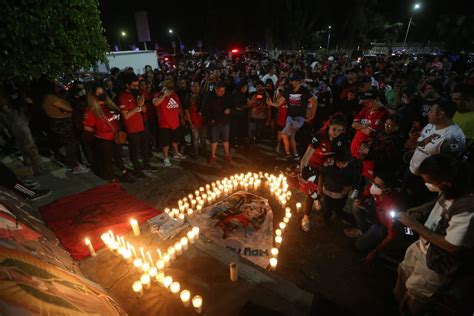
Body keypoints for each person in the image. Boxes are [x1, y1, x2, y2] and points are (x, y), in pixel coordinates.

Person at [394, 154, 474, 315]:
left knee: (416, 297)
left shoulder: (467, 208)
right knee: (403, 273)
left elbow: (453, 246)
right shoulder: (452, 187)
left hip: (437, 263)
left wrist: (415, 226)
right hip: (423, 246)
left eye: (429, 181)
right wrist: (424, 208)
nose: (426, 184)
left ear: (446, 183)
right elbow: (442, 200)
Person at [344, 168, 404, 263]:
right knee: (356, 208)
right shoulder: (375, 191)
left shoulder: (393, 207)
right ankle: (364, 232)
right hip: (375, 215)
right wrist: (360, 201)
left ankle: (371, 240)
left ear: (388, 190)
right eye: (374, 183)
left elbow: (391, 235)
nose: (374, 187)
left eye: (378, 186)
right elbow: (364, 195)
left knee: (358, 245)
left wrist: (375, 251)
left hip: (383, 226)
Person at [299, 113, 347, 231]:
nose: (336, 132)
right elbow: (306, 157)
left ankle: (319, 201)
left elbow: (340, 153)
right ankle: (306, 216)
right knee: (312, 190)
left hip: (327, 167)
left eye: (339, 130)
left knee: (324, 189)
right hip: (314, 165)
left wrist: (334, 160)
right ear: (329, 125)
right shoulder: (319, 136)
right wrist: (302, 172)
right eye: (334, 129)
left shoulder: (341, 138)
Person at [83, 84, 135, 182]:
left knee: (118, 156)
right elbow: (87, 127)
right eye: (98, 93)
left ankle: (124, 172)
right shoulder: (91, 110)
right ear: (93, 96)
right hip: (104, 139)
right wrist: (99, 131)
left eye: (102, 92)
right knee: (107, 159)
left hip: (117, 136)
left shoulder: (111, 105)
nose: (101, 94)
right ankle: (111, 177)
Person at [41, 80, 89, 174]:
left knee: (70, 144)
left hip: (60, 122)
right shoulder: (51, 98)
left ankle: (75, 163)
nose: (58, 86)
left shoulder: (47, 97)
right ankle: (75, 166)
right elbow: (69, 108)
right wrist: (68, 111)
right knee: (71, 144)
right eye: (55, 85)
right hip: (61, 123)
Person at [118, 73, 153, 177]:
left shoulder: (136, 94)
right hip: (132, 128)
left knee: (144, 147)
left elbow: (144, 109)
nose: (136, 88)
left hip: (141, 125)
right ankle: (137, 169)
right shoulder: (123, 97)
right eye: (133, 86)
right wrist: (138, 107)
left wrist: (141, 107)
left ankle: (146, 165)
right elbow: (126, 116)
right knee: (134, 150)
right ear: (127, 85)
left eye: (137, 85)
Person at [281, 71, 317, 161]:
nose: (290, 83)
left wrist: (312, 114)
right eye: (290, 81)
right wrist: (272, 103)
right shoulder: (288, 90)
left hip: (299, 119)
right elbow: (280, 101)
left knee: (284, 134)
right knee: (291, 136)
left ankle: (288, 153)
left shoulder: (304, 91)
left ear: (298, 82)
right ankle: (296, 155)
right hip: (291, 116)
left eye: (293, 81)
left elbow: (314, 101)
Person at [318, 149, 356, 222]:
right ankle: (326, 218)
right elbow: (321, 172)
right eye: (338, 162)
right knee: (327, 208)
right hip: (328, 193)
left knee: (339, 208)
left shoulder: (351, 169)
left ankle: (338, 215)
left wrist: (350, 188)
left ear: (348, 162)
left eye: (343, 163)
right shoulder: (330, 163)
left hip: (341, 195)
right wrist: (325, 164)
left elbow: (355, 181)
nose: (340, 165)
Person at [152, 79, 185, 167]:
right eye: (168, 88)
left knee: (175, 139)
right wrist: (164, 95)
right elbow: (155, 104)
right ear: (163, 88)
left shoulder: (174, 95)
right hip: (164, 123)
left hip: (175, 122)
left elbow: (179, 107)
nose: (170, 90)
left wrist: (181, 117)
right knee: (165, 142)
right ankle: (166, 158)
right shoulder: (158, 95)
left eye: (171, 88)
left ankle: (176, 153)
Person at [202, 81, 233, 165]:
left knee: (225, 139)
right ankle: (213, 156)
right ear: (215, 89)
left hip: (225, 121)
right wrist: (210, 119)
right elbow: (205, 110)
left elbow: (232, 106)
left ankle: (227, 155)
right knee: (214, 140)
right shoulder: (209, 96)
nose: (221, 92)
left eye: (223, 91)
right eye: (220, 90)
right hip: (214, 122)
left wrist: (229, 110)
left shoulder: (227, 96)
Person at [350, 89, 388, 160]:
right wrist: (363, 126)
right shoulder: (366, 109)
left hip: (366, 153)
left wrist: (359, 127)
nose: (366, 104)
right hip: (355, 148)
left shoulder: (383, 113)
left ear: (377, 99)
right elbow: (353, 124)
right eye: (365, 101)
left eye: (369, 101)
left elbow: (371, 133)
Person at [184, 81, 206, 158]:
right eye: (193, 86)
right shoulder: (188, 97)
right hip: (193, 121)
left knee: (203, 138)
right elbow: (186, 111)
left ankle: (204, 152)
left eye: (197, 86)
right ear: (190, 87)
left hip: (202, 120)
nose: (195, 88)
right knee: (195, 138)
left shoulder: (202, 96)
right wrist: (190, 123)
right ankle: (196, 154)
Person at [247, 80, 270, 147]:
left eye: (260, 87)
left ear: (263, 87)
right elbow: (247, 105)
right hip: (252, 117)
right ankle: (250, 145)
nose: (259, 88)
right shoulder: (252, 94)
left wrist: (268, 119)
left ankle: (256, 145)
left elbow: (269, 108)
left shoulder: (266, 95)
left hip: (262, 118)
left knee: (258, 133)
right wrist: (252, 100)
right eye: (257, 87)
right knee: (251, 132)